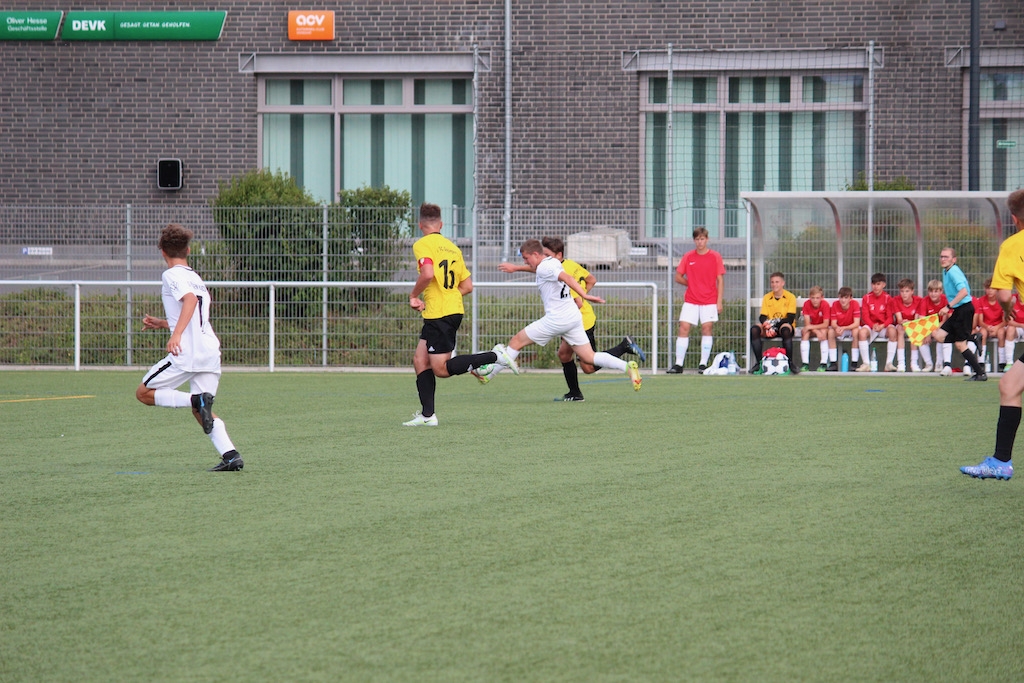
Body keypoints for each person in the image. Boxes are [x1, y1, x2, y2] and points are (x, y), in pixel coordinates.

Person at [135, 223, 243, 472]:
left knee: (143, 393)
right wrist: (164, 324)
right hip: (209, 352)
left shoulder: (171, 275)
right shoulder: (195, 277)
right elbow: (195, 312)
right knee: (201, 411)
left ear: (162, 251)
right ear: (188, 250)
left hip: (187, 352)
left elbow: (190, 301)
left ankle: (197, 399)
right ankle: (231, 455)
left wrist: (176, 335)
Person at [497, 236, 646, 401]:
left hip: (560, 318)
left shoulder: (547, 266)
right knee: (585, 357)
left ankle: (488, 374)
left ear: (540, 254)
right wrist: (516, 268)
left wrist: (584, 296)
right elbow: (585, 278)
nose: (526, 261)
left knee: (517, 341)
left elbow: (566, 279)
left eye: (526, 258)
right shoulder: (556, 263)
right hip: (573, 318)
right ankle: (626, 368)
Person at [404, 203, 504, 427]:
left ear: (420, 225)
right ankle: (427, 416)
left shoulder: (422, 244)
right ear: (441, 224)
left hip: (440, 314)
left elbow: (427, 273)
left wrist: (413, 295)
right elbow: (467, 286)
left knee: (441, 369)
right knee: (420, 360)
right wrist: (448, 296)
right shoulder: (453, 248)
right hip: (448, 310)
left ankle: (495, 356)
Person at [961, 189, 1024, 479]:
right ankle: (1001, 461)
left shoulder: (1012, 246)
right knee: (1009, 386)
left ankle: (1001, 461)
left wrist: (1008, 310)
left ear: (1013, 219)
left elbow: (1003, 294)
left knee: (1009, 386)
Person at [667, 227, 725, 374]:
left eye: (702, 239)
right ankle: (678, 364)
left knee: (707, 328)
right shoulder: (688, 256)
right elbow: (678, 276)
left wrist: (719, 301)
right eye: (697, 239)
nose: (700, 242)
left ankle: (703, 364)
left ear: (707, 239)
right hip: (691, 300)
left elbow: (720, 280)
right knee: (683, 327)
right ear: (694, 240)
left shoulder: (715, 256)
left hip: (709, 300)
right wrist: (691, 284)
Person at [932, 246, 987, 381]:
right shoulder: (946, 270)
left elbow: (964, 292)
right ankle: (972, 337)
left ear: (954, 259)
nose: (943, 259)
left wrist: (948, 306)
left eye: (946, 257)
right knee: (939, 336)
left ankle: (980, 373)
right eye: (941, 256)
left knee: (960, 345)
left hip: (964, 309)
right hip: (958, 310)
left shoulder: (953, 271)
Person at [749, 271, 798, 374]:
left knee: (785, 330)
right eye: (772, 282)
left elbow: (790, 318)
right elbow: (762, 316)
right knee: (754, 330)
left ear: (783, 283)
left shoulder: (790, 297)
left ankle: (790, 363)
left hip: (782, 326)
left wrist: (773, 326)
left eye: (777, 282)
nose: (774, 284)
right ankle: (759, 363)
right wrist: (767, 326)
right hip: (770, 328)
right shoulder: (767, 297)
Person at [857, 272, 898, 372]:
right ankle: (866, 364)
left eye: (878, 284)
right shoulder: (866, 298)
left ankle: (888, 364)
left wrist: (882, 326)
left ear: (883, 285)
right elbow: (865, 317)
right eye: (874, 284)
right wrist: (872, 325)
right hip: (871, 326)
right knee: (862, 333)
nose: (876, 287)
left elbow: (890, 318)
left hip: (883, 327)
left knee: (893, 331)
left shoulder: (888, 298)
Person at [973, 278, 1007, 372]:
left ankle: (1002, 363)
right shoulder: (981, 300)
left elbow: (1005, 321)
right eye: (988, 288)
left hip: (999, 326)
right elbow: (980, 321)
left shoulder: (1002, 301)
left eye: (992, 288)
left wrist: (996, 328)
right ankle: (981, 362)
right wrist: (987, 327)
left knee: (1001, 333)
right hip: (986, 326)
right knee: (982, 334)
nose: (990, 291)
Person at [916, 279, 949, 372]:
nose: (933, 294)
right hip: (929, 326)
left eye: (936, 291)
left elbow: (945, 321)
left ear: (941, 291)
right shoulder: (924, 301)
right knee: (919, 335)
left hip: (943, 327)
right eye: (931, 291)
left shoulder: (946, 300)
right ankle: (928, 363)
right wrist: (927, 332)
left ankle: (939, 363)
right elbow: (922, 319)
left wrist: (932, 330)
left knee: (939, 335)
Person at [799, 285, 831, 373]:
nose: (815, 300)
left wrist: (815, 330)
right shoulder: (806, 304)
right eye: (813, 298)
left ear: (822, 298)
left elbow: (826, 324)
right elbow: (807, 324)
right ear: (809, 297)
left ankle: (823, 363)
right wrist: (816, 331)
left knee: (823, 332)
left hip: (822, 328)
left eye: (817, 298)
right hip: (813, 329)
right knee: (805, 333)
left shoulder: (825, 305)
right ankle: (805, 364)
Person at [892, 278, 921, 372]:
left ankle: (914, 363)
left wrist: (910, 323)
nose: (904, 294)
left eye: (907, 291)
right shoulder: (896, 300)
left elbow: (916, 319)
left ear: (912, 291)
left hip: (913, 326)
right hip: (902, 326)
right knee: (900, 329)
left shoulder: (918, 301)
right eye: (902, 291)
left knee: (913, 330)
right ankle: (901, 363)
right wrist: (904, 322)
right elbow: (899, 319)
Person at [829, 286, 861, 370]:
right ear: (838, 297)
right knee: (831, 332)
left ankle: (854, 363)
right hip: (841, 329)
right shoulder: (835, 304)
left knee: (856, 332)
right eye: (841, 297)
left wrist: (844, 328)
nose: (843, 300)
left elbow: (856, 323)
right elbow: (833, 323)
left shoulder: (855, 304)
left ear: (851, 298)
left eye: (846, 298)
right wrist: (837, 328)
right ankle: (833, 363)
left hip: (850, 328)